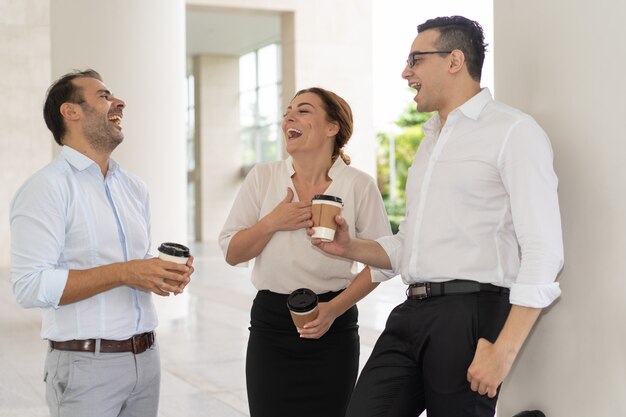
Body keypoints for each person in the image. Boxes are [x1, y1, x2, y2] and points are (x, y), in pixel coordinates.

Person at [311, 16, 564, 417]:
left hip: (470, 313)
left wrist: (503, 351)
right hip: (411, 312)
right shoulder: (430, 143)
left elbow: (544, 248)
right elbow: (410, 244)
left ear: (454, 60)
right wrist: (349, 247)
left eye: (415, 59)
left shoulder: (514, 132)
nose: (405, 72)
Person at [10, 69, 194, 417]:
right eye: (104, 96)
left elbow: (135, 264)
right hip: (86, 367)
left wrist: (158, 274)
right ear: (71, 111)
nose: (119, 102)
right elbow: (29, 285)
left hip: (147, 361)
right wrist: (126, 272)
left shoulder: (134, 187)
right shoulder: (46, 188)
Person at [219, 87, 392, 417]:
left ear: (332, 127)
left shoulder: (358, 185)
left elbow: (383, 262)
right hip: (271, 324)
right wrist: (272, 222)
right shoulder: (263, 177)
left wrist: (333, 310)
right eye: (288, 111)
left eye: (303, 110)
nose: (289, 117)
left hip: (334, 324)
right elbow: (232, 252)